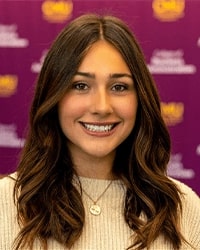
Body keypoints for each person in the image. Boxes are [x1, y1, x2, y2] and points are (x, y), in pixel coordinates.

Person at [0, 13, 200, 250]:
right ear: (54, 95)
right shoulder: (5, 203)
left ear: (140, 99)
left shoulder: (184, 208)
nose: (102, 107)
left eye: (119, 87)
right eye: (81, 85)